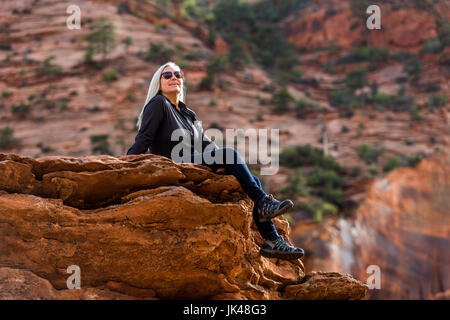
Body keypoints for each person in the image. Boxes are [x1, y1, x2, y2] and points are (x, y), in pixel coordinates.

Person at [127, 61, 304, 260]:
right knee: (231, 157)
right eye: (167, 75)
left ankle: (272, 240)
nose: (174, 77)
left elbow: (206, 145)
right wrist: (125, 166)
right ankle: (264, 204)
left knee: (253, 180)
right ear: (158, 82)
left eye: (178, 74)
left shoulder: (188, 114)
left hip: (191, 161)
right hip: (172, 163)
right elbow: (143, 139)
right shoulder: (158, 104)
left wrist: (226, 162)